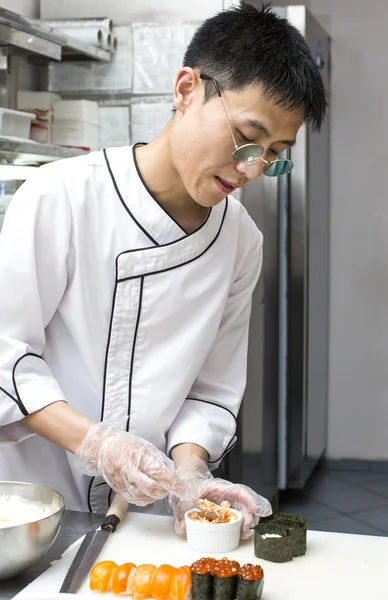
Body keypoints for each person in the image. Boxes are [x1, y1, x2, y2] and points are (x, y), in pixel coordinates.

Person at [0, 4, 326, 537]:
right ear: (185, 89)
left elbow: (212, 389)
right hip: (31, 506)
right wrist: (96, 443)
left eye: (274, 154)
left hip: (142, 519)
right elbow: (6, 353)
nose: (251, 169)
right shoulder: (60, 196)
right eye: (247, 136)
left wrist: (192, 470)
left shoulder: (241, 241)